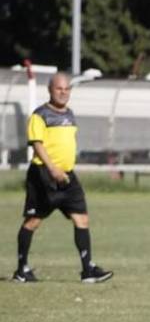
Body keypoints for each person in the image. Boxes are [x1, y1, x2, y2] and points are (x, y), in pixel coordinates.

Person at [12, 72, 113, 284]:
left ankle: (87, 270)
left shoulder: (70, 115)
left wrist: (65, 169)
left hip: (68, 177)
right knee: (33, 221)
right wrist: (53, 169)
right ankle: (22, 270)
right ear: (50, 90)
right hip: (44, 175)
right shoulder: (40, 115)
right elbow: (37, 144)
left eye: (67, 89)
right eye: (59, 88)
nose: (63, 92)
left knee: (82, 219)